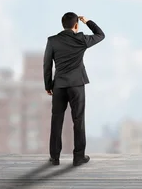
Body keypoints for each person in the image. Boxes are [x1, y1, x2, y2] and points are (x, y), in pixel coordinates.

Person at [43, 13, 105, 166]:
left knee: (56, 120)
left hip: (59, 85)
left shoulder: (53, 41)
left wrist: (48, 85)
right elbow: (100, 34)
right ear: (76, 25)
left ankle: (55, 157)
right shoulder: (81, 39)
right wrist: (87, 21)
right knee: (78, 120)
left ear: (62, 24)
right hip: (77, 85)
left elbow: (47, 65)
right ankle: (78, 157)